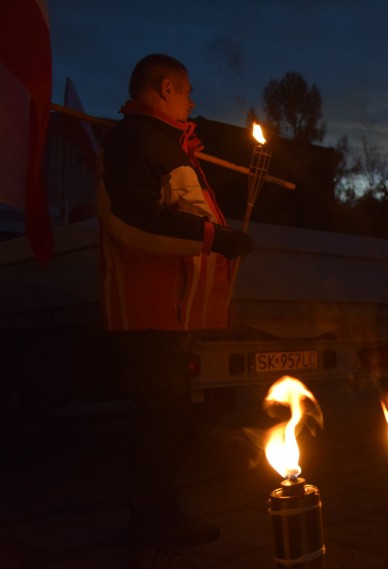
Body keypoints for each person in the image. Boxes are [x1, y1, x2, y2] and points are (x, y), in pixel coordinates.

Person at [98, 54, 252, 568]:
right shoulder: (132, 140)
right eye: (187, 91)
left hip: (173, 308)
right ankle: (146, 534)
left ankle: (164, 515)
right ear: (165, 88)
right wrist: (217, 237)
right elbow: (137, 217)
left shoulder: (165, 144)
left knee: (171, 419)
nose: (193, 100)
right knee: (159, 420)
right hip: (149, 306)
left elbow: (179, 205)